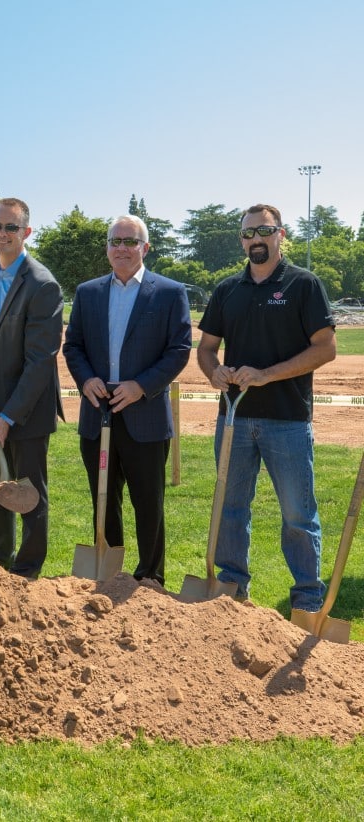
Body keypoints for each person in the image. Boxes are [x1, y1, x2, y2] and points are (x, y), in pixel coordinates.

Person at [197, 203, 336, 610]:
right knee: (230, 508)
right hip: (234, 419)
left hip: (287, 420)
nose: (255, 239)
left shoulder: (304, 284)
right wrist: (215, 372)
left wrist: (267, 375)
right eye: (248, 233)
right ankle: (232, 588)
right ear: (241, 239)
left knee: (298, 514)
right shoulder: (227, 289)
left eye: (264, 231)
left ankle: (307, 599)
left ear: (281, 234)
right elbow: (206, 349)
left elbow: (325, 348)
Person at [62, 215, 192, 584]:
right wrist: (86, 379)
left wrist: (141, 386)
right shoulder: (88, 293)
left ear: (145, 248)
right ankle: (108, 573)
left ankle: (150, 576)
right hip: (98, 412)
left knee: (148, 503)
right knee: (104, 501)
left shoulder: (168, 292)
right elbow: (73, 346)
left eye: (130, 241)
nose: (122, 247)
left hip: (145, 414)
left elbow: (178, 350)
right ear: (107, 248)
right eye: (115, 241)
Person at [0, 198, 64, 578]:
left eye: (10, 228)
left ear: (27, 232)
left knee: (29, 488)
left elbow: (41, 362)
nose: (1, 234)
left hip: (28, 406)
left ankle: (28, 566)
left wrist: (9, 416)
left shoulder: (42, 285)